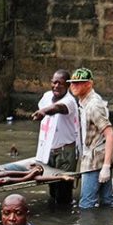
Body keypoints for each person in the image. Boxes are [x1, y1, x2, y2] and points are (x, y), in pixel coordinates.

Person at [67, 68, 113, 209]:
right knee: (106, 201)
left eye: (79, 83)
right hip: (101, 155)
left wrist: (106, 167)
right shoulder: (85, 102)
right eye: (72, 83)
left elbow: (110, 134)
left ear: (89, 84)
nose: (74, 86)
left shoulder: (93, 106)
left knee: (86, 205)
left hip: (95, 160)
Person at [31, 69, 80, 205]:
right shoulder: (47, 96)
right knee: (52, 187)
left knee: (64, 189)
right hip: (48, 150)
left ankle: (65, 219)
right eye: (54, 82)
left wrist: (43, 111)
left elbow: (58, 108)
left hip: (65, 152)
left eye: (61, 83)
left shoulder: (70, 101)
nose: (56, 86)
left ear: (68, 86)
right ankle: (53, 214)